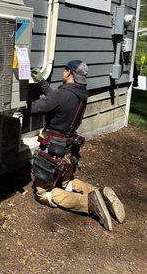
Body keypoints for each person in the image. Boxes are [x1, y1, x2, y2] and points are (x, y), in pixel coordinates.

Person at [30, 60, 125, 231]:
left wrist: (18, 101)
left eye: (64, 70)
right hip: (68, 149)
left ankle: (90, 204)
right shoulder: (81, 94)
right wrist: (42, 82)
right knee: (67, 182)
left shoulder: (62, 95)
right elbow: (58, 101)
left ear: (68, 73)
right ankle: (100, 193)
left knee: (42, 193)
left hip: (53, 149)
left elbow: (37, 107)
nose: (62, 73)